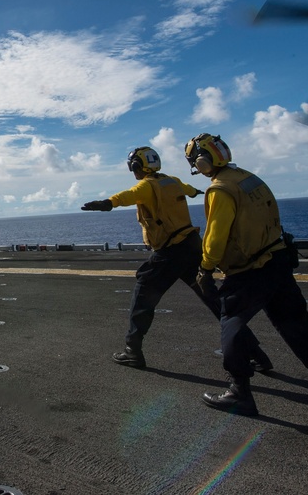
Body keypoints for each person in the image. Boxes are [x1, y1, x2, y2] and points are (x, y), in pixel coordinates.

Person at [184, 133, 308, 416]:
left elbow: (214, 239)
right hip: (277, 261)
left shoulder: (220, 189)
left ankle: (239, 393)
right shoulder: (249, 177)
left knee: (232, 325)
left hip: (250, 270)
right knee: (297, 323)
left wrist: (205, 268)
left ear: (203, 161)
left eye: (194, 162)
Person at [82, 146, 272, 371]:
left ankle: (133, 351)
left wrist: (107, 203)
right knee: (213, 300)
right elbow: (189, 190)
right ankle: (256, 354)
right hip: (191, 247)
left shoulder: (147, 185)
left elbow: (127, 196)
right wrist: (195, 192)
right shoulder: (171, 181)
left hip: (170, 252)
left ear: (136, 166)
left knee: (143, 296)